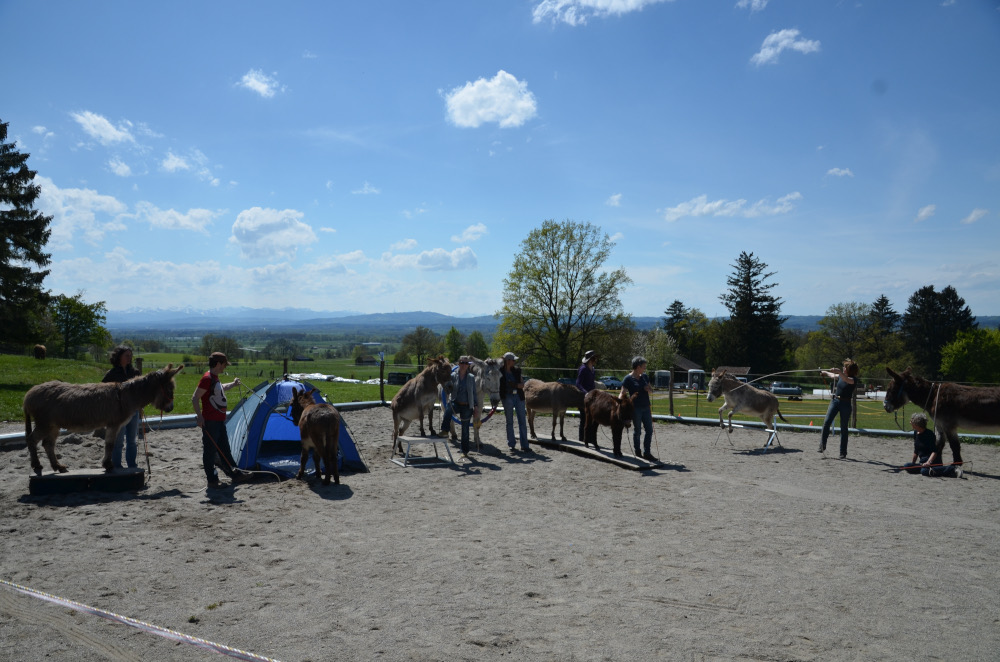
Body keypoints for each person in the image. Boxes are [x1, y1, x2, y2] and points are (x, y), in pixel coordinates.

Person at [192, 352, 251, 488]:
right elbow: (195, 397)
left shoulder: (214, 378)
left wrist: (234, 384)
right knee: (210, 451)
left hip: (219, 421)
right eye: (224, 364)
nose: (225, 367)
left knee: (225, 449)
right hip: (211, 421)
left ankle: (236, 474)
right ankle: (212, 480)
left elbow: (220, 389)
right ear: (218, 364)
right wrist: (200, 417)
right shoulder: (207, 378)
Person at [102, 345, 141, 469]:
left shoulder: (135, 373)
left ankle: (132, 466)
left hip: (133, 411)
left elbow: (141, 391)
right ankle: (117, 466)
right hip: (118, 414)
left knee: (132, 441)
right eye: (126, 355)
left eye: (130, 355)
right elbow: (102, 391)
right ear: (119, 357)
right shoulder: (111, 374)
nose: (129, 358)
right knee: (118, 442)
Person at [819, 358, 860, 458]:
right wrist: (824, 372)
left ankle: (843, 452)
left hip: (845, 404)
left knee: (844, 428)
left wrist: (839, 371)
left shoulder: (853, 380)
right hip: (835, 401)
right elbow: (832, 375)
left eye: (845, 368)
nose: (843, 368)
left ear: (849, 370)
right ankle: (822, 445)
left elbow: (845, 379)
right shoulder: (841, 376)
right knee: (827, 422)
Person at [901, 412, 963, 478]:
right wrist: (913, 464)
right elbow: (916, 450)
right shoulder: (916, 433)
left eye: (912, 422)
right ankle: (936, 470)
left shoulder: (929, 434)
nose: (910, 423)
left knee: (924, 471)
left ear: (917, 424)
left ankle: (952, 469)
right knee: (907, 466)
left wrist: (928, 462)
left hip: (932, 461)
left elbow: (934, 451)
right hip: (922, 463)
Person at [621, 356, 655, 461]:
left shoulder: (645, 377)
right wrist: (619, 403)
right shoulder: (628, 379)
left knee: (649, 430)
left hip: (646, 406)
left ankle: (647, 452)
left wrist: (648, 389)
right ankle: (638, 451)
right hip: (636, 408)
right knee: (638, 430)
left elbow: (651, 390)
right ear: (638, 367)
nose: (645, 369)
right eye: (643, 367)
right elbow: (623, 392)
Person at [446, 356, 480, 460]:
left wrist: (476, 407)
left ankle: (464, 451)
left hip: (467, 405)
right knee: (447, 412)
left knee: (465, 430)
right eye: (462, 363)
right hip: (456, 402)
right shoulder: (453, 375)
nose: (464, 365)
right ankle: (444, 430)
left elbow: (474, 393)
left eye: (466, 363)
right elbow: (448, 387)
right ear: (459, 363)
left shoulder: (471, 377)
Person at [499, 352, 529, 452]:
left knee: (522, 421)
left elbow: (522, 385)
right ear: (508, 361)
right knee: (509, 421)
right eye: (513, 360)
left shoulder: (517, 371)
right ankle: (511, 444)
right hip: (507, 396)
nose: (514, 361)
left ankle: (525, 445)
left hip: (518, 396)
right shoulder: (500, 372)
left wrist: (515, 385)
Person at [576, 350, 598, 442]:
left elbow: (592, 383)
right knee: (584, 419)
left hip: (592, 397)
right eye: (594, 358)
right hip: (583, 397)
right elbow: (578, 383)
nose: (595, 360)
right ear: (590, 359)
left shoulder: (592, 369)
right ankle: (582, 439)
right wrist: (586, 393)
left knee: (592, 419)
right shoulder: (583, 369)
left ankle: (590, 439)